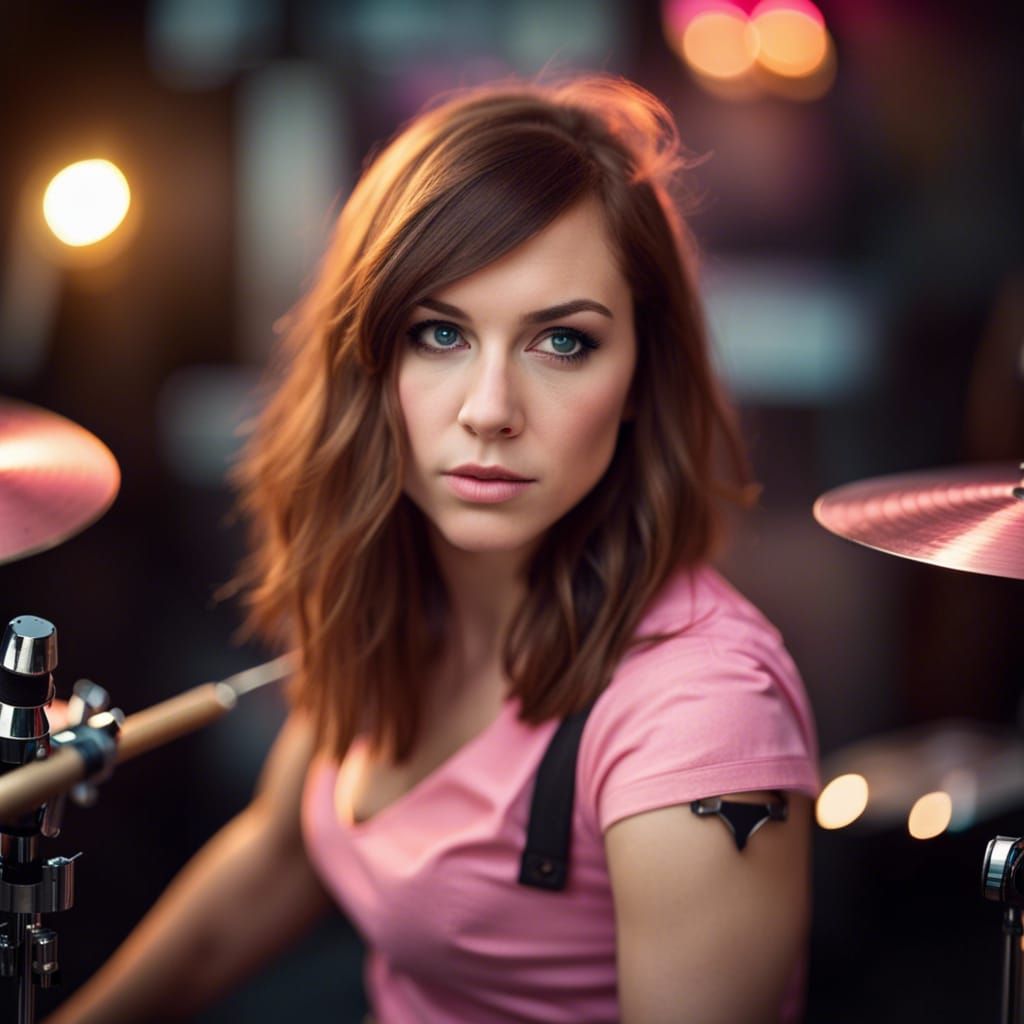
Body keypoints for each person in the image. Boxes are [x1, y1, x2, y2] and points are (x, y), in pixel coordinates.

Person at [46, 73, 819, 1024]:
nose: (489, 410)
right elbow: (277, 856)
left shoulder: (702, 715)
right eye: (440, 333)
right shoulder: (412, 600)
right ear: (366, 360)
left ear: (640, 377)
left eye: (563, 343)